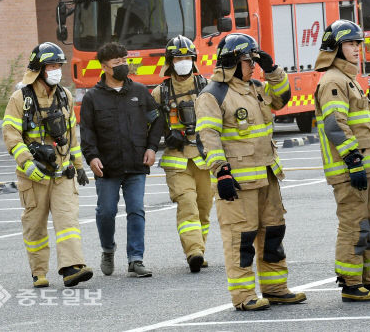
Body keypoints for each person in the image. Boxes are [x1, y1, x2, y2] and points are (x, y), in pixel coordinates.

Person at [195, 33, 306, 311]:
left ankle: (276, 288)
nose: (253, 66)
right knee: (241, 240)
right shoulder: (213, 95)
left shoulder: (255, 87)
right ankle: (244, 296)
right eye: (248, 60)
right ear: (232, 61)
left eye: (254, 60)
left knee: (273, 233)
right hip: (238, 183)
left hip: (267, 177)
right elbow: (208, 136)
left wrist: (273, 72)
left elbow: (282, 100)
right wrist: (221, 173)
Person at [313, 20, 370, 303]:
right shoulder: (333, 80)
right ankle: (351, 283)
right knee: (355, 227)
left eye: (358, 44)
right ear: (335, 48)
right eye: (351, 44)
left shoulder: (348, 79)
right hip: (351, 170)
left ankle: (367, 280)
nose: (357, 49)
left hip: (367, 168)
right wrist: (353, 160)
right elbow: (336, 125)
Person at [2, 42, 93, 288]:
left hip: (62, 173)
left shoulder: (64, 95)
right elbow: (11, 133)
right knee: (35, 226)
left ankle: (71, 267)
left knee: (68, 221)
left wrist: (79, 164)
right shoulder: (20, 98)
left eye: (58, 66)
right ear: (39, 69)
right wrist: (27, 163)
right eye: (52, 66)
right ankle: (39, 271)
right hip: (33, 176)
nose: (57, 70)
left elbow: (72, 135)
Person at [80, 42, 163, 278]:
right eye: (117, 63)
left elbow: (157, 120)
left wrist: (151, 147)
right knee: (106, 212)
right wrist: (92, 157)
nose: (123, 65)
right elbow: (87, 132)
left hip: (136, 164)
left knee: (136, 209)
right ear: (105, 67)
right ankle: (108, 249)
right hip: (107, 167)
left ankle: (135, 259)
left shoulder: (138, 92)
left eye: (124, 61)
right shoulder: (93, 98)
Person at [151, 35, 212, 273]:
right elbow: (151, 127)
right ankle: (193, 251)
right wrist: (166, 138)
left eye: (187, 57)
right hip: (177, 161)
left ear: (194, 60)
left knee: (204, 208)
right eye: (178, 58)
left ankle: (200, 249)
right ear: (170, 62)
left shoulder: (207, 87)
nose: (183, 62)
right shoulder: (160, 93)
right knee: (187, 204)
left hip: (204, 158)